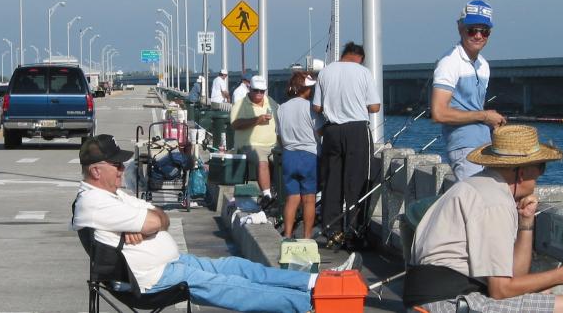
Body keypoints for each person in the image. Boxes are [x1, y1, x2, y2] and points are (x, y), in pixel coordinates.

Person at [71, 134, 359, 313]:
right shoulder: (95, 203)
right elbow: (153, 218)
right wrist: (148, 223)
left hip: (169, 267)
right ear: (96, 170)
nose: (123, 169)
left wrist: (149, 226)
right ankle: (313, 304)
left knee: (237, 267)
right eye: (117, 165)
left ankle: (315, 281)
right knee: (231, 285)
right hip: (151, 281)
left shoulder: (114, 195)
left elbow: (161, 217)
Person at [406, 125, 563, 313]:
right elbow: (501, 291)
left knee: (544, 293)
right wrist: (561, 275)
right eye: (541, 167)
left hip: (430, 300)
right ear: (522, 172)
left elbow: (514, 278)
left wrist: (525, 224)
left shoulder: (479, 186)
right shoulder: (495, 202)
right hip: (447, 304)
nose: (541, 174)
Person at [311, 42, 381, 247]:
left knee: (332, 181)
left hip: (332, 131)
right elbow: (375, 106)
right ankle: (354, 230)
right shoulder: (363, 72)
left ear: (344, 55)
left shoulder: (325, 72)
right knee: (357, 180)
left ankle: (331, 229)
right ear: (359, 57)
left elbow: (316, 106)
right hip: (357, 130)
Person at [431, 0, 506, 181]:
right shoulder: (449, 62)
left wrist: (493, 122)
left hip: (486, 146)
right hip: (463, 148)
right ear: (460, 28)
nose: (478, 35)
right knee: (474, 204)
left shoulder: (484, 66)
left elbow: (475, 109)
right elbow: (439, 113)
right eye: (472, 30)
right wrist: (484, 116)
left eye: (484, 31)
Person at [276, 71, 323, 239]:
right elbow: (320, 131)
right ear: (304, 89)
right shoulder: (310, 107)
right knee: (309, 200)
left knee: (292, 198)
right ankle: (307, 237)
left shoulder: (282, 108)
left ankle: (287, 235)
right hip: (308, 155)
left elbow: (279, 136)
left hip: (289, 155)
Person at [230, 75, 279, 208]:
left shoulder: (271, 102)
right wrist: (257, 119)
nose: (259, 94)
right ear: (249, 89)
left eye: (262, 91)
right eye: (256, 90)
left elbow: (280, 118)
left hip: (273, 145)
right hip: (250, 145)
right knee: (261, 159)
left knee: (284, 160)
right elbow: (235, 124)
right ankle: (267, 195)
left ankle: (281, 195)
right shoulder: (241, 104)